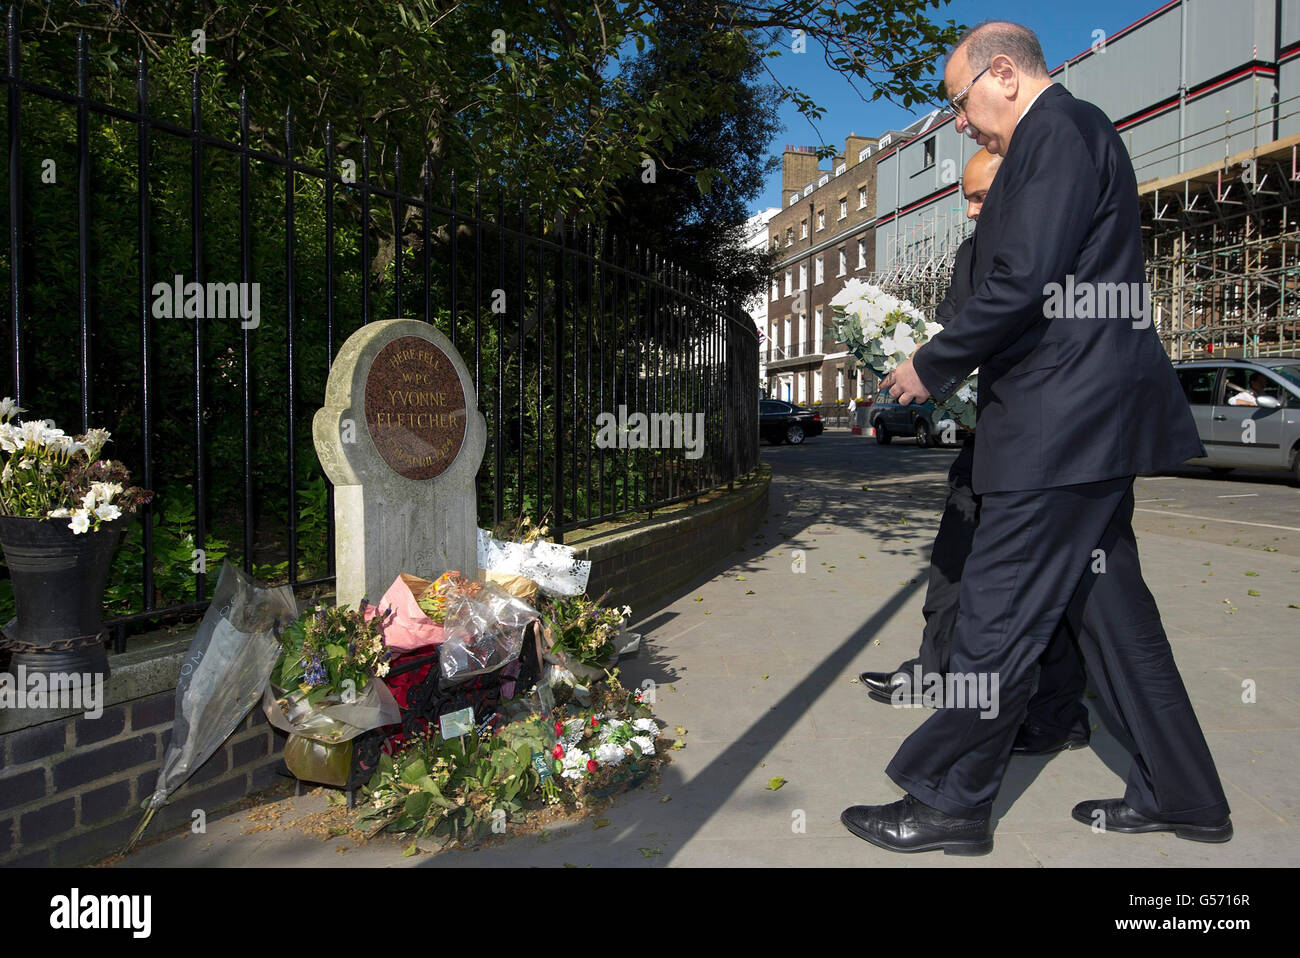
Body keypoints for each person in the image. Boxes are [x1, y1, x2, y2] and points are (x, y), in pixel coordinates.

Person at [841, 20, 1231, 855]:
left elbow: (1024, 277)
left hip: (1062, 429)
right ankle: (1185, 795)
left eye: (960, 100)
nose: (959, 123)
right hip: (1086, 428)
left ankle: (948, 803)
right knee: (1115, 623)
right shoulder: (1073, 135)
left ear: (1005, 73)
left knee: (997, 616)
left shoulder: (1058, 131)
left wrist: (930, 364)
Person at [858, 147, 1089, 757]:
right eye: (964, 195)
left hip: (1040, 442)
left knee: (1053, 589)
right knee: (954, 560)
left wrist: (942, 361)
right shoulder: (975, 250)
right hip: (989, 436)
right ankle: (939, 673)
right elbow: (955, 323)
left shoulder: (1039, 248)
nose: (968, 210)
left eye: (981, 197)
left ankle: (1056, 711)